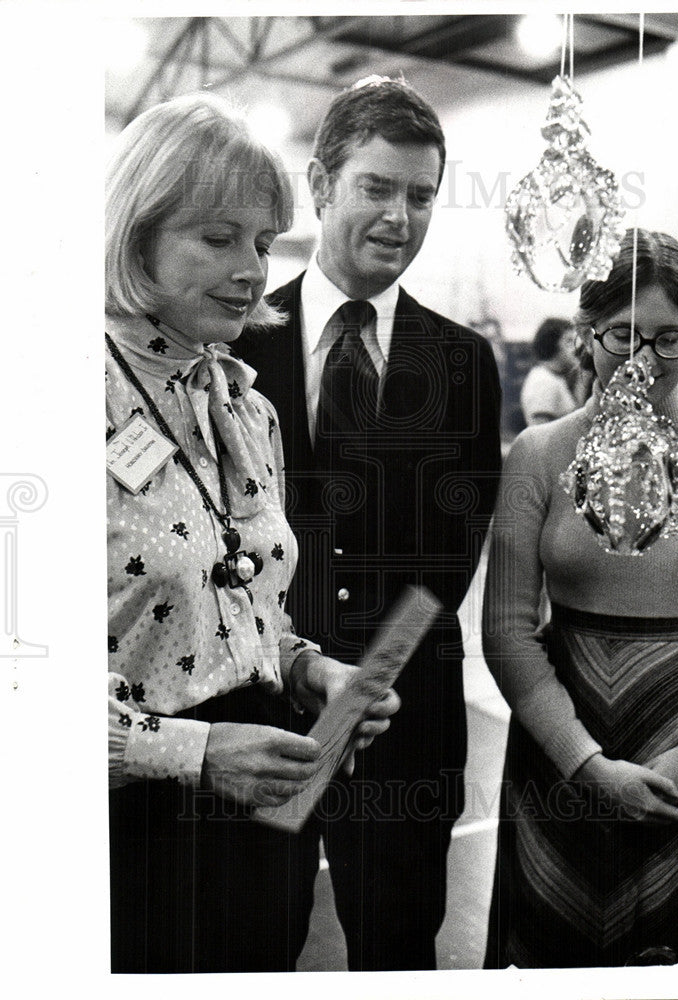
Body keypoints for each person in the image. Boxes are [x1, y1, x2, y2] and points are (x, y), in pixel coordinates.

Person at [105, 93, 399, 974]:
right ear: (137, 233)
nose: (250, 270)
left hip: (264, 810)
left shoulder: (246, 403)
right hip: (129, 830)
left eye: (265, 243)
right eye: (217, 237)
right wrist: (195, 754)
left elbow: (246, 604)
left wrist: (309, 668)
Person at [236, 76, 502, 971]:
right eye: (377, 188)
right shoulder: (235, 343)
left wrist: (357, 694)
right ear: (319, 185)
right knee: (255, 948)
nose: (401, 216)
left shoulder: (461, 363)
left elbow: (448, 560)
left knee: (397, 954)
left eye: (421, 196)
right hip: (260, 712)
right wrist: (305, 673)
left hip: (403, 717)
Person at [482, 229, 678, 968]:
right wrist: (585, 764)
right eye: (621, 335)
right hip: (563, 759)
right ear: (586, 336)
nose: (644, 360)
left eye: (669, 338)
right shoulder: (540, 455)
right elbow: (508, 634)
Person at [519, 316, 578, 425]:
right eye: (569, 341)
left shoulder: (553, 377)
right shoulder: (543, 381)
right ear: (552, 343)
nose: (575, 348)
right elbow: (541, 430)